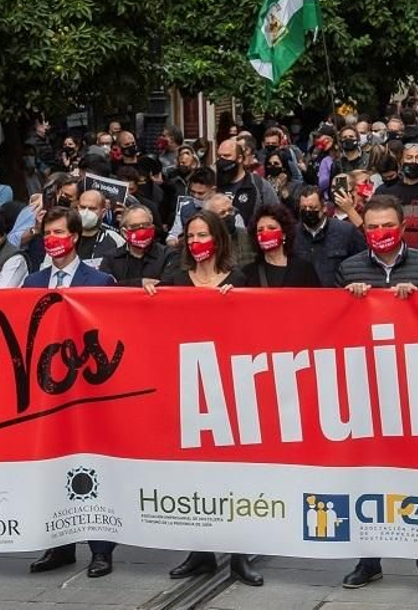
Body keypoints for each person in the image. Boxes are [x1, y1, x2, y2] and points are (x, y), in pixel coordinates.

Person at [334, 194, 418, 595]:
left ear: (402, 228)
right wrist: (350, 302)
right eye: (372, 227)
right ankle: (369, 561)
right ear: (362, 230)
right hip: (365, 391)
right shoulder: (348, 269)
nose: (380, 233)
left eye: (387, 226)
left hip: (417, 389)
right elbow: (330, 328)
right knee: (366, 477)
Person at [143, 210, 261, 586]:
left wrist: (239, 302)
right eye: (190, 237)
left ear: (218, 239)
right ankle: (200, 553)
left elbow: (258, 329)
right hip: (186, 389)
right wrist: (145, 289)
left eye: (202, 235)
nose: (195, 243)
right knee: (192, 473)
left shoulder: (238, 279)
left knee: (234, 474)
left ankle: (241, 554)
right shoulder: (175, 280)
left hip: (229, 388)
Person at [25, 207, 117, 578]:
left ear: (75, 236)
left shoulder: (99, 280)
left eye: (59, 232)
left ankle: (101, 547)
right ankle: (59, 544)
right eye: (47, 233)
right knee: (51, 463)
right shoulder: (32, 282)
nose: (52, 240)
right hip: (46, 390)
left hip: (89, 388)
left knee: (93, 465)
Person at [291, 185, 362, 286]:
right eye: (303, 208)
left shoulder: (346, 231)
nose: (308, 211)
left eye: (312, 207)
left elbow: (362, 261)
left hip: (337, 295)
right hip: (302, 296)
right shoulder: (292, 234)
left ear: (324, 208)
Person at [242, 204, 318, 287]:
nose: (265, 233)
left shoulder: (304, 269)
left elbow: (316, 297)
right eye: (260, 230)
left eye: (271, 228)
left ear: (284, 234)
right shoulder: (248, 273)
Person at [101, 203, 175, 286]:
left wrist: (123, 284)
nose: (142, 231)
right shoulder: (111, 258)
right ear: (124, 233)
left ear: (153, 228)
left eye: (146, 225)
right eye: (135, 227)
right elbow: (106, 288)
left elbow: (167, 287)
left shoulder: (168, 255)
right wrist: (140, 283)